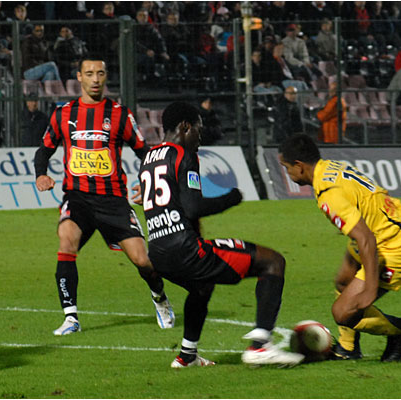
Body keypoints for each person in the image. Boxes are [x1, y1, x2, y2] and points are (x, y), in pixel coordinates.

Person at [139, 102, 305, 368]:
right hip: (185, 250)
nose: (200, 138)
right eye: (198, 131)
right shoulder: (184, 155)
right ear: (185, 127)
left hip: (158, 253)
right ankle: (261, 345)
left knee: (202, 286)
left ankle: (187, 356)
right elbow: (193, 207)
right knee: (273, 262)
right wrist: (232, 197)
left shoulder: (149, 158)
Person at [34, 55, 175, 335]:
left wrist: (148, 181)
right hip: (78, 198)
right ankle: (71, 317)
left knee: (141, 260)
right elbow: (44, 149)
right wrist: (41, 173)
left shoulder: (121, 114)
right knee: (66, 241)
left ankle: (159, 297)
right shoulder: (63, 114)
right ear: (79, 77)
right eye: (89, 74)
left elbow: (143, 151)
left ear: (106, 77)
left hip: (113, 201)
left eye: (100, 73)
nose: (95, 79)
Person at [278, 134, 401, 362]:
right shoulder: (329, 168)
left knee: (343, 312)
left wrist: (370, 288)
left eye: (286, 168)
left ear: (300, 166)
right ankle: (348, 348)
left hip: (395, 244)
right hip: (380, 229)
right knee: (344, 281)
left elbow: (366, 239)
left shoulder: (328, 193)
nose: (287, 174)